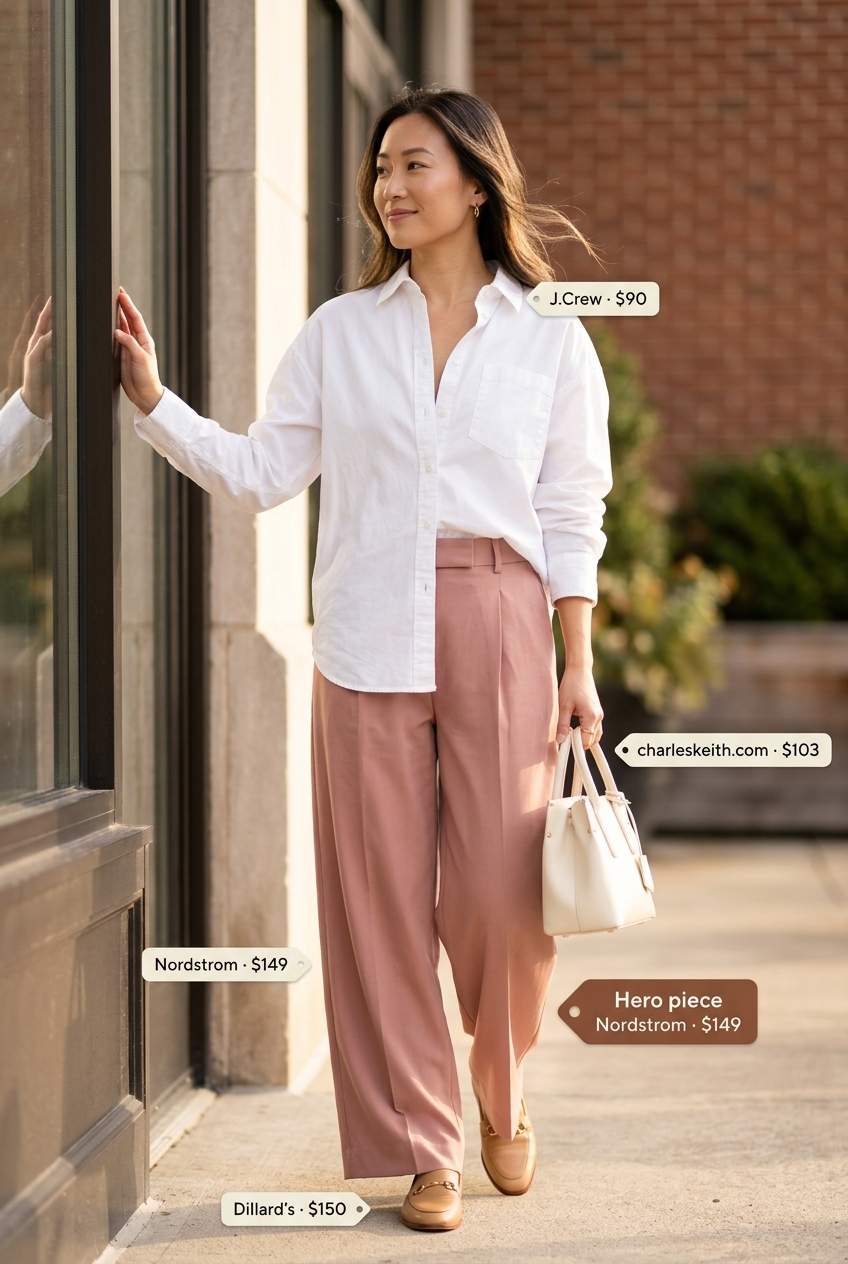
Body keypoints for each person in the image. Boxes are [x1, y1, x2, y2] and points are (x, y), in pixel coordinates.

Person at [116, 87, 611, 1233]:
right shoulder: (340, 332)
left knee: (498, 894)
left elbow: (573, 507)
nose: (389, 185)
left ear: (475, 185)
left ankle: (502, 1082)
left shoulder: (549, 336)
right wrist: (152, 403)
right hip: (363, 627)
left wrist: (573, 658)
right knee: (377, 900)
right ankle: (424, 1146)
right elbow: (255, 473)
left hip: (499, 612)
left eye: (414, 165)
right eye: (381, 167)